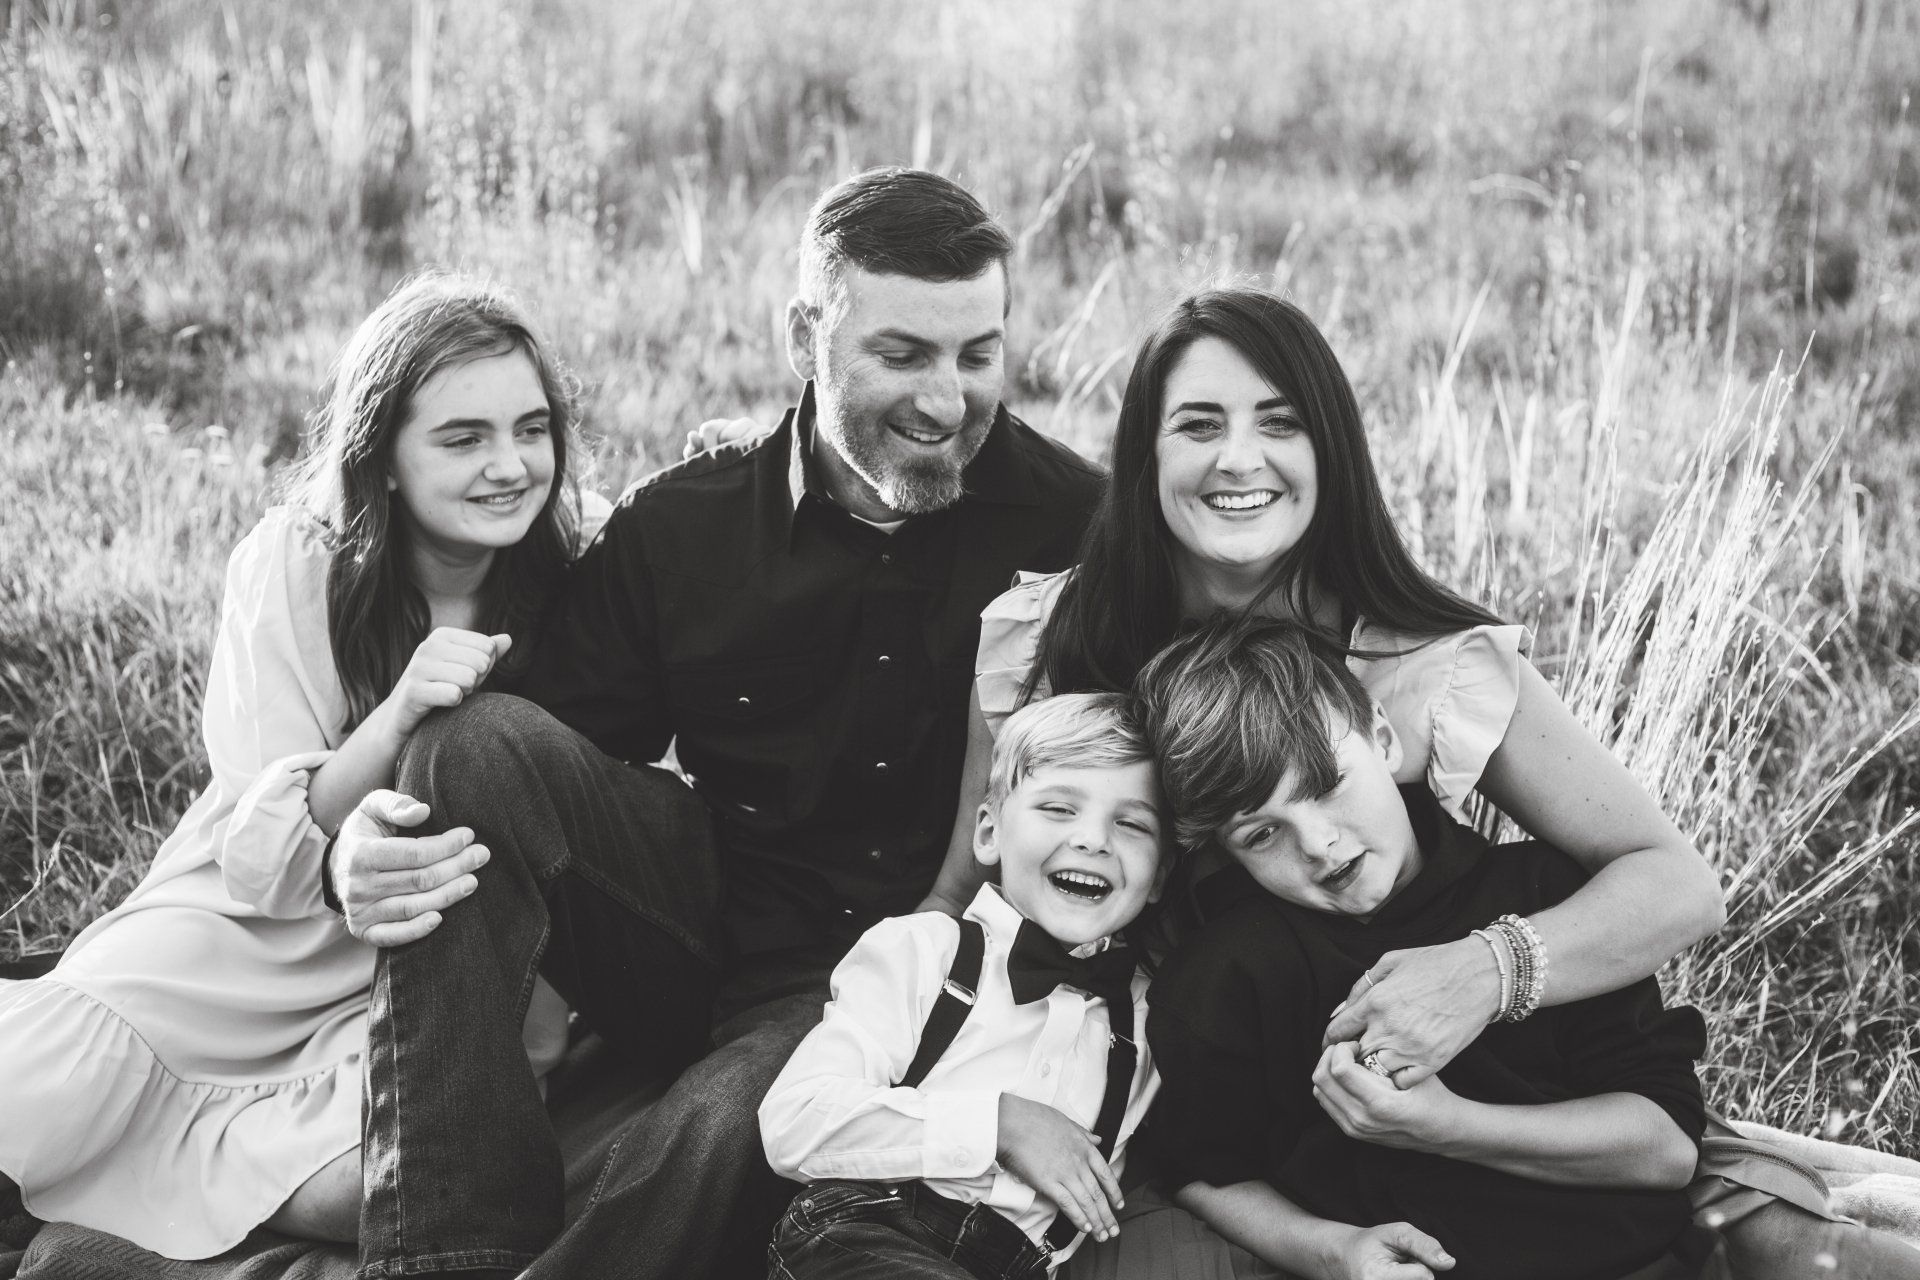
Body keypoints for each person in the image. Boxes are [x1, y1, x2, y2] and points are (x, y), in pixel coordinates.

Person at [950, 287, 1875, 1279]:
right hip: (1160, 1117)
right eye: (1198, 425)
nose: (1238, 459)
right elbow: (961, 889)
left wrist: (1480, 971)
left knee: (1847, 1236)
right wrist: (941, 1091)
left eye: (1280, 422)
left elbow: (1677, 886)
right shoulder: (1057, 637)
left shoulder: (1421, 658)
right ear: (1146, 456)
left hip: (1470, 1110)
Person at [328, 168, 1105, 1280]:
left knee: (710, 1134)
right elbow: (512, 750)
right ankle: (444, 1252)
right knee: (471, 743)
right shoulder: (687, 527)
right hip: (703, 928)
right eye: (904, 355)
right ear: (807, 336)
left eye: (978, 354)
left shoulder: (1074, 526)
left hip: (913, 987)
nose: (947, 399)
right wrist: (361, 840)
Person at [0, 271, 594, 1260]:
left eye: (531, 429)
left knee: (412, 1188)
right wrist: (398, 710)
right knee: (42, 1093)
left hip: (411, 959)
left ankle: (143, 1193)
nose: (509, 466)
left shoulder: (578, 556)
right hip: (240, 947)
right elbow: (261, 852)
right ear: (385, 458)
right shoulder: (299, 562)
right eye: (462, 437)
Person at [1139, 618, 1716, 1280]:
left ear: (1383, 739)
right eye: (1262, 834)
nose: (1320, 846)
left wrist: (1448, 1126)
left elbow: (1667, 1150)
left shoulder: (1546, 893)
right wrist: (1333, 1250)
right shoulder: (1225, 975)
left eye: (1328, 783)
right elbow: (1202, 1171)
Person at [761, 693, 1165, 1279]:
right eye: (1058, 808)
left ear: (1160, 877)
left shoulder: (1153, 1015)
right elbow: (793, 1122)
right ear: (988, 832)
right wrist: (999, 1124)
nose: (1094, 840)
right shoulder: (924, 949)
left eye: (1131, 823)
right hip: (863, 1238)